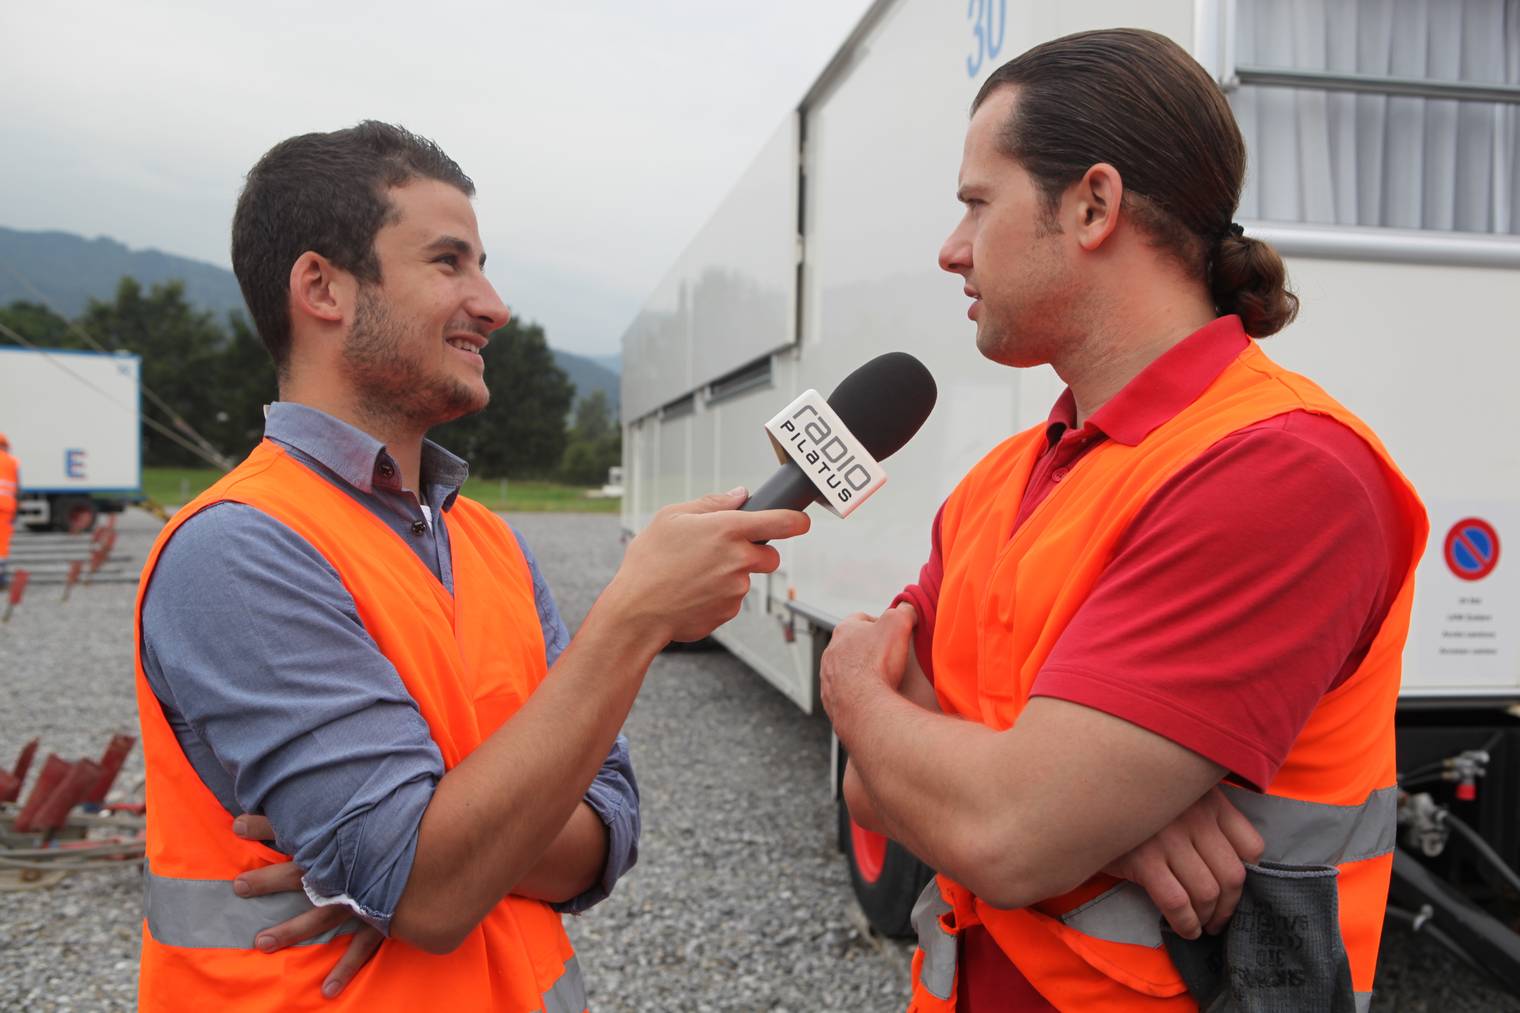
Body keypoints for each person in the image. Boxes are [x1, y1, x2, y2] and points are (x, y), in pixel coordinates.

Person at [134, 121, 809, 1011]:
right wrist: (634, 617)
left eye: (481, 265)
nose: (492, 305)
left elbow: (609, 828)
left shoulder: (488, 542)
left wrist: (425, 850)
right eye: (448, 262)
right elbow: (430, 887)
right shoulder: (238, 547)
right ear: (322, 287)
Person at [821, 29, 1426, 1013]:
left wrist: (855, 689)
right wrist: (1083, 804)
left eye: (977, 203)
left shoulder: (1281, 471)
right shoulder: (996, 482)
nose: (951, 248)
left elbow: (1003, 835)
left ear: (1093, 205)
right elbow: (871, 790)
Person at [0, 433, 16, 589]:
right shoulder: (12, 462)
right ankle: (1, 577)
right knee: (2, 543)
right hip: (6, 508)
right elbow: (17, 488)